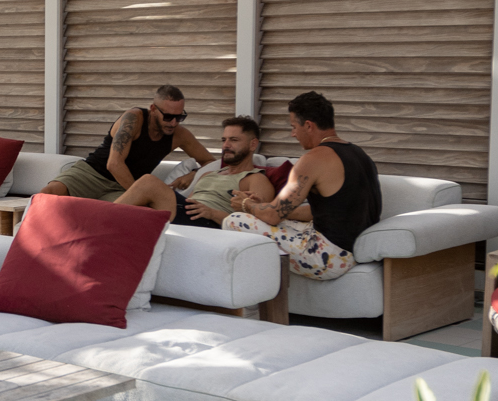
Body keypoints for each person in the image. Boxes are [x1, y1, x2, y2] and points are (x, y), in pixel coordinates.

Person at [222, 90, 380, 282]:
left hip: (328, 256)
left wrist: (247, 205)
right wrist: (262, 208)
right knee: (267, 218)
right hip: (354, 249)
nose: (293, 133)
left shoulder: (313, 159)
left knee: (235, 221)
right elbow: (315, 212)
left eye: (294, 126)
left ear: (308, 125)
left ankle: (251, 301)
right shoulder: (359, 154)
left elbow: (272, 216)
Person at [37, 84, 215, 211]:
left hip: (122, 186)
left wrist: (193, 174)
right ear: (153, 109)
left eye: (180, 117)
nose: (174, 123)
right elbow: (114, 164)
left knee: (134, 217)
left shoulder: (180, 135)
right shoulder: (133, 119)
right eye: (168, 116)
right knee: (48, 194)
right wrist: (138, 190)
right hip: (92, 173)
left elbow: (211, 162)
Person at [176, 114, 269, 225]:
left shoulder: (255, 179)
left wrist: (212, 213)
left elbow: (257, 224)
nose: (225, 145)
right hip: (188, 218)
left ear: (253, 144)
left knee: (151, 183)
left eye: (233, 140)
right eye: (224, 140)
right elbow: (188, 203)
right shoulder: (207, 174)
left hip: (210, 223)